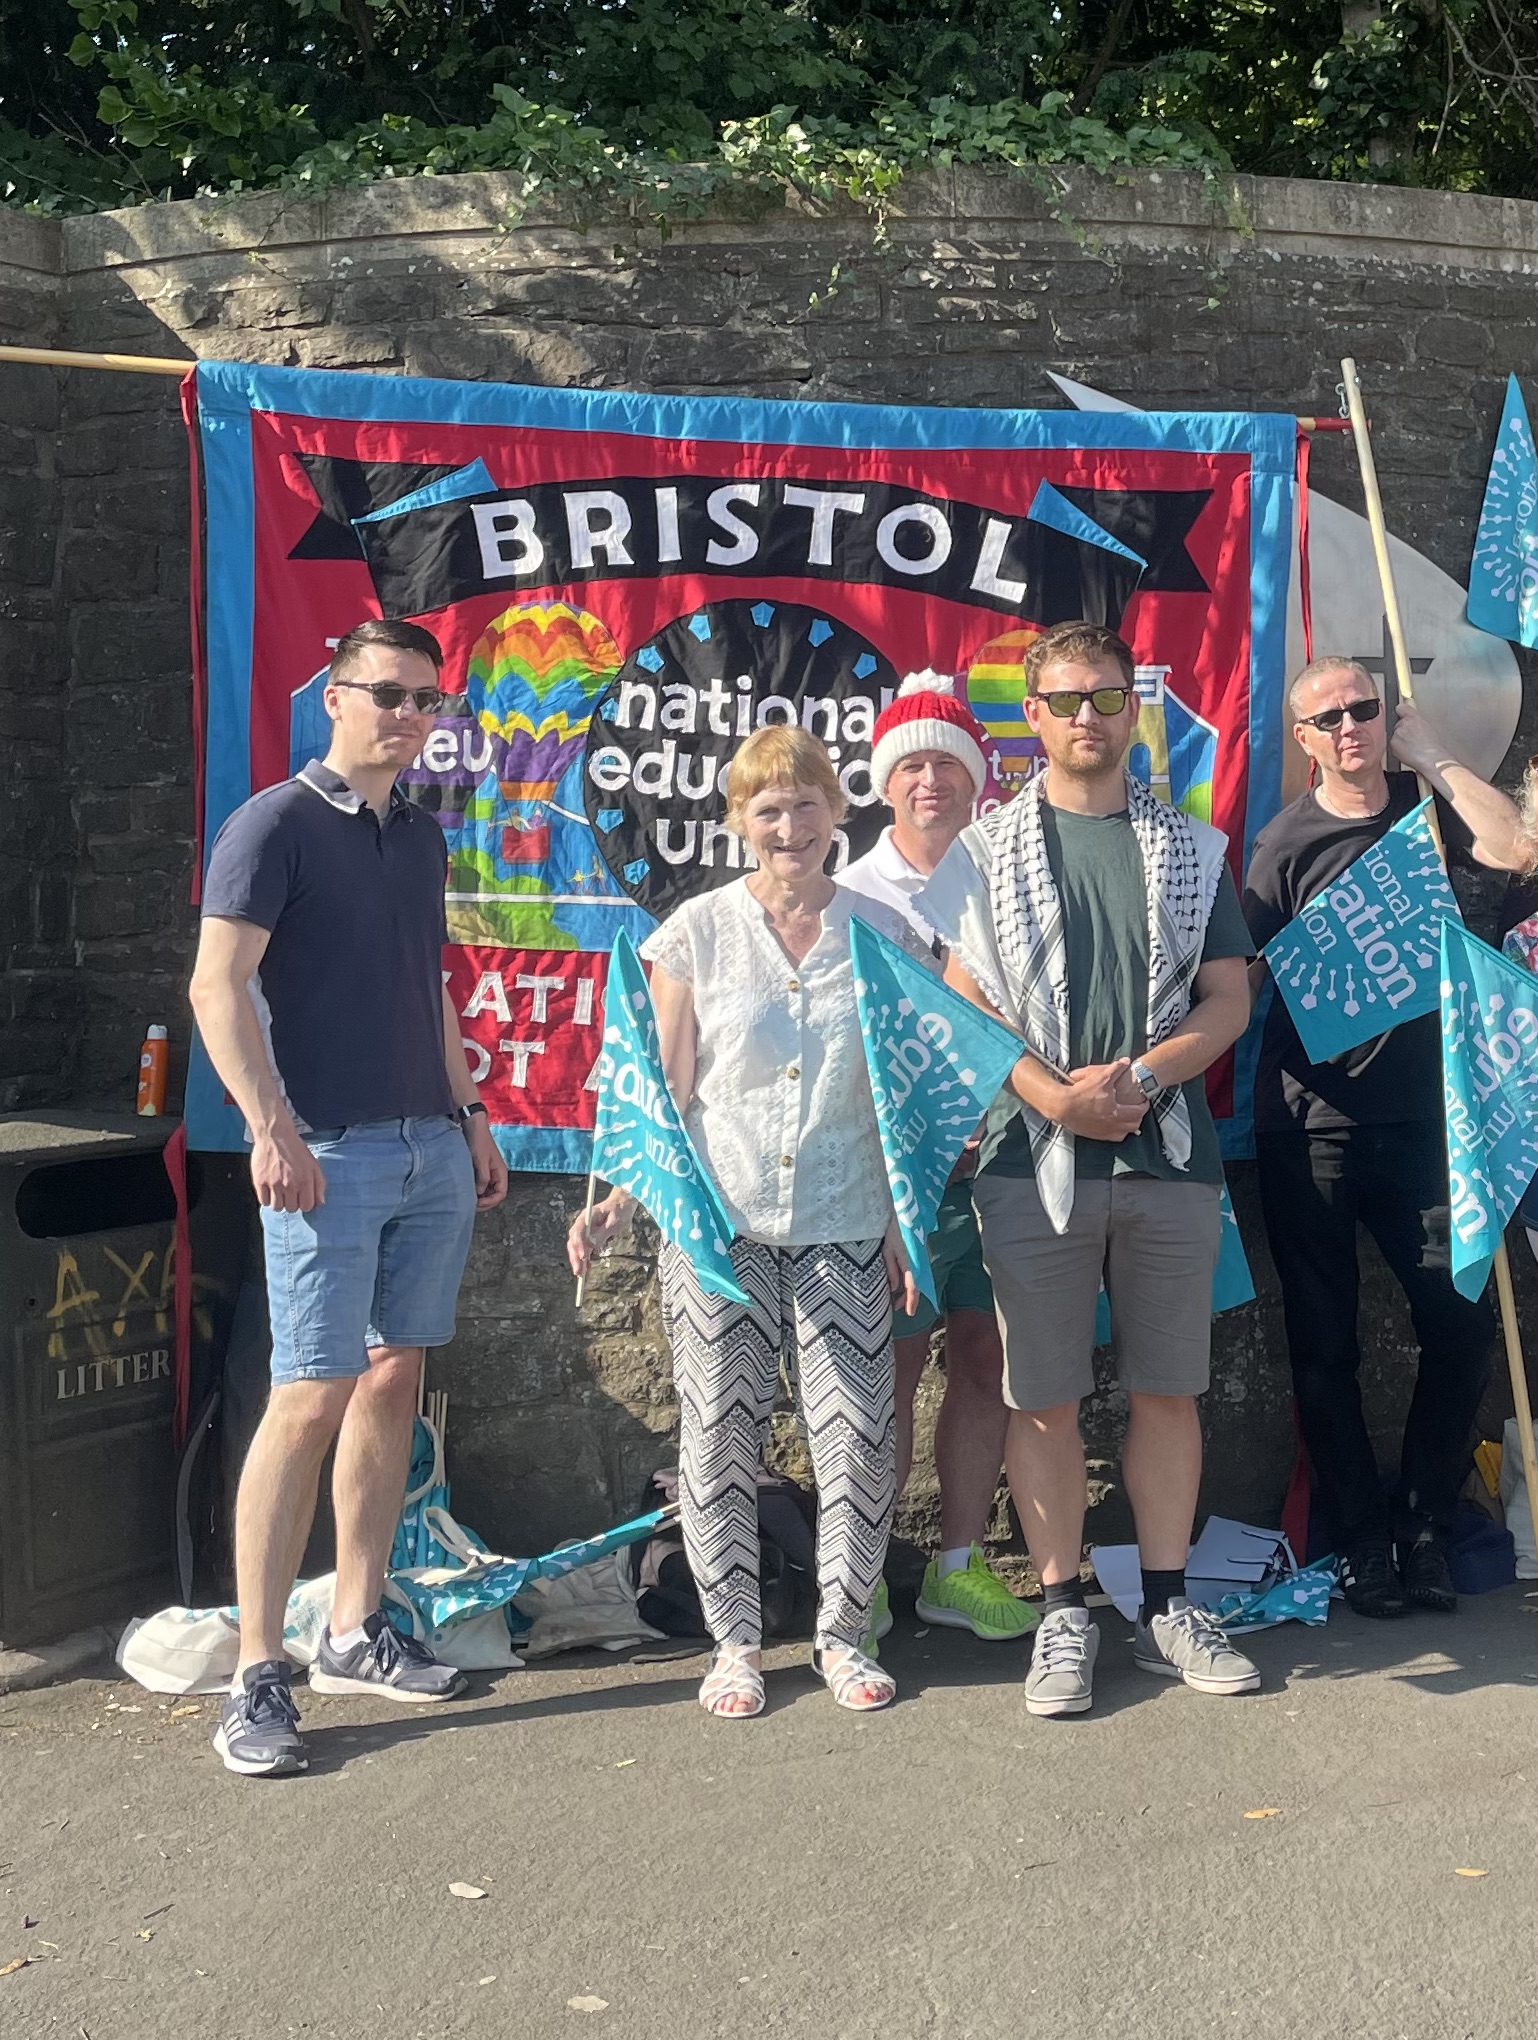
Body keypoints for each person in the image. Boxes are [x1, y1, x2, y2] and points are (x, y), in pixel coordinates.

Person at [919, 620, 1261, 1717]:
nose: (1084, 717)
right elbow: (962, 998)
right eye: (1062, 700)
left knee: (1167, 1389)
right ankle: (1062, 1612)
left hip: (1166, 1159)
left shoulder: (1188, 847)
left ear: (1131, 707)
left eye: (1103, 697)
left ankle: (1166, 1607)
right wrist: (1052, 1094)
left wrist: (1144, 1080)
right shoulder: (982, 854)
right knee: (1043, 1396)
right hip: (1028, 1158)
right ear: (1033, 715)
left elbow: (1227, 998)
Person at [189, 617, 509, 1777]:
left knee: (393, 1380)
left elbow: (429, 987)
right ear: (334, 697)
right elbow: (217, 985)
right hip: (324, 1152)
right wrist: (271, 1129)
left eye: (427, 700)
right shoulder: (271, 825)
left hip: (429, 1147)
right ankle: (258, 1672)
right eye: (389, 695)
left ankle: (354, 1628)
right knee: (309, 1394)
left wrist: (468, 1115)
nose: (410, 717)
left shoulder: (418, 838)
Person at [567, 725, 929, 1718]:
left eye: (805, 803)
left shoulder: (880, 931)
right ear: (738, 820)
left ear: (834, 814)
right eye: (767, 808)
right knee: (717, 1435)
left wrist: (904, 1219)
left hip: (844, 1215)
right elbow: (661, 1082)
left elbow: (905, 1095)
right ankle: (731, 1644)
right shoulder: (697, 932)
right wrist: (614, 1201)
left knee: (856, 1432)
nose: (789, 824)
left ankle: (840, 1636)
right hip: (718, 1227)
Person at [1242, 656, 1526, 1617]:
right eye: (1329, 718)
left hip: (1427, 1128)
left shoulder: (1429, 806)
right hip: (1310, 1131)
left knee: (1460, 1326)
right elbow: (1248, 988)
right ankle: (1363, 1543)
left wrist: (1435, 755)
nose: (1350, 727)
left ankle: (1424, 1527)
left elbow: (1518, 847)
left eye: (1365, 709)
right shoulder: (1282, 845)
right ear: (1306, 738)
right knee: (1324, 1351)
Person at [841, 671, 1034, 1645]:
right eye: (911, 764)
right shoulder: (846, 897)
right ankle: (862, 1571)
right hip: (893, 1184)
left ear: (976, 780)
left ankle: (954, 1567)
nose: (930, 782)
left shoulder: (1008, 877)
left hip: (1001, 1163)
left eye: (947, 765)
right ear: (884, 781)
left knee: (986, 1357)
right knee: (886, 1369)